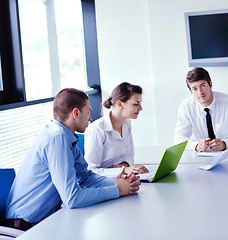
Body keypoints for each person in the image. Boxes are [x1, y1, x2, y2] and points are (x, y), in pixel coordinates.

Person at [5, 88, 141, 230]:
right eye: (88, 112)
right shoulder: (58, 139)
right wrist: (117, 190)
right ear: (76, 113)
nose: (90, 118)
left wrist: (122, 182)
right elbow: (72, 198)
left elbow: (86, 178)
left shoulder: (66, 136)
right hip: (25, 226)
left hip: (44, 220)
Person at [174, 67, 228, 152]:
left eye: (203, 85)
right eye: (195, 89)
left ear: (210, 84)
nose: (200, 92)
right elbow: (179, 138)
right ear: (191, 91)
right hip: (201, 157)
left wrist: (225, 143)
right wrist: (196, 145)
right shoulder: (186, 106)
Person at [84, 82, 148, 178]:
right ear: (120, 105)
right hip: (103, 182)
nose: (141, 108)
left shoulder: (127, 124)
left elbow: (130, 154)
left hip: (121, 178)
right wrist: (124, 170)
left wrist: (125, 164)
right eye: (136, 104)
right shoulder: (97, 129)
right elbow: (92, 171)